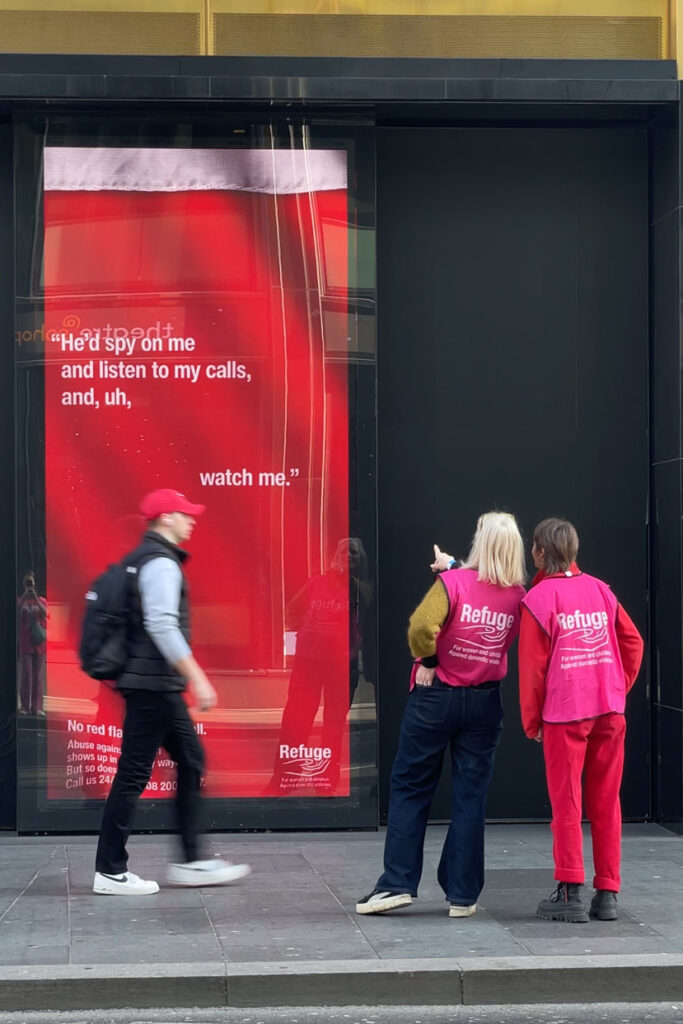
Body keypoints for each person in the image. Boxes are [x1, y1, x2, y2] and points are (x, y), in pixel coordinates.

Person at [356, 512, 527, 918]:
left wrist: (429, 659)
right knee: (470, 797)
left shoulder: (451, 585)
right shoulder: (522, 595)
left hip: (435, 699)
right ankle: (462, 895)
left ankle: (397, 884)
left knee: (412, 787)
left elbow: (420, 627)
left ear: (479, 543)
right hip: (485, 702)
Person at [93, 488, 250, 896]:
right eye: (185, 514)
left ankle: (190, 859)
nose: (192, 520)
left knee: (189, 760)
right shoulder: (161, 564)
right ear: (165, 518)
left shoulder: (143, 559)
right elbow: (161, 625)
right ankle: (112, 869)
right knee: (137, 773)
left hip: (150, 683)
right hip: (153, 685)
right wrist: (197, 676)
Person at [518, 517, 644, 923]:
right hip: (609, 710)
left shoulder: (539, 600)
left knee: (567, 801)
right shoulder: (601, 590)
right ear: (573, 550)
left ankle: (570, 889)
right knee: (607, 801)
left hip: (564, 714)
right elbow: (633, 641)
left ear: (539, 551)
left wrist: (532, 721)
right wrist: (616, 686)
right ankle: (607, 892)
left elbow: (532, 670)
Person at [17, 571, 48, 716]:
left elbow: (45, 614)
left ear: (35, 584)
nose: (29, 585)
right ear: (24, 585)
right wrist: (24, 597)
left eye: (31, 583)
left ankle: (37, 707)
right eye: (27, 583)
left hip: (40, 643)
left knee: (37, 675)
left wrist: (35, 597)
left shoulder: (41, 600)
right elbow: (16, 613)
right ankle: (24, 706)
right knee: (26, 675)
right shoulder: (20, 600)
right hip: (26, 642)